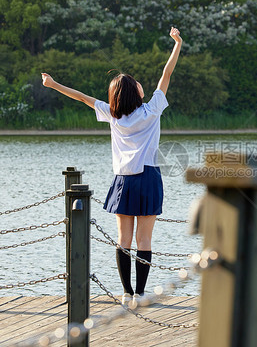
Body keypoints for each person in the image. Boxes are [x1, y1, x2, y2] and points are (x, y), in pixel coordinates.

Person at [41, 27, 182, 305]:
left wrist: (54, 84)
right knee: (145, 240)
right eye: (138, 83)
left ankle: (126, 292)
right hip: (149, 177)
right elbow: (166, 74)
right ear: (136, 92)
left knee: (123, 239)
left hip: (123, 181)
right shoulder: (152, 110)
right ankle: (140, 293)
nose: (142, 84)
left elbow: (81, 97)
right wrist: (177, 44)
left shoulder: (112, 114)